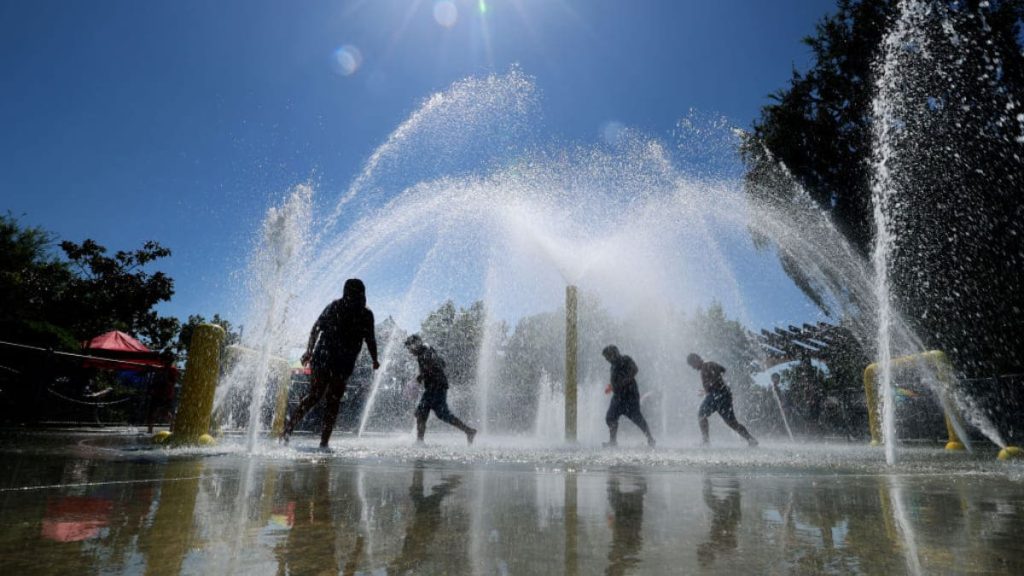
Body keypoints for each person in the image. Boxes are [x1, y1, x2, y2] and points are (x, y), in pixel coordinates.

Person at [284, 278, 379, 448]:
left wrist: (375, 359)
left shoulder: (364, 314)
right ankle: (288, 432)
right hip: (325, 357)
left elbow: (370, 339)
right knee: (318, 395)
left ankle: (323, 442)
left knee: (330, 399)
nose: (352, 297)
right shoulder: (338, 307)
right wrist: (309, 350)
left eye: (355, 294)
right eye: (351, 294)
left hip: (341, 361)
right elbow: (316, 328)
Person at [404, 334, 476, 445]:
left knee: (427, 413)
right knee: (430, 413)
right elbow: (442, 363)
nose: (409, 351)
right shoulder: (427, 351)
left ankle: (419, 441)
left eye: (410, 348)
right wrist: (423, 376)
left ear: (416, 344)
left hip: (436, 387)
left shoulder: (425, 353)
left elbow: (435, 365)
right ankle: (468, 431)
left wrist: (420, 377)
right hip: (436, 387)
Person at [687, 353, 758, 447]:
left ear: (696, 359)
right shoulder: (708, 365)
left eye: (692, 365)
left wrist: (712, 385)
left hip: (717, 395)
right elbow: (722, 370)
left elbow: (720, 372)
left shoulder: (707, 365)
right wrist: (710, 387)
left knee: (701, 415)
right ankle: (751, 439)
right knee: (732, 422)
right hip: (722, 395)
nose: (693, 368)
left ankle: (706, 441)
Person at [602, 345, 656, 448]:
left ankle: (650, 438)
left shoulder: (625, 359)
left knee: (637, 418)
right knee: (610, 417)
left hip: (629, 395)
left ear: (613, 353)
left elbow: (635, 369)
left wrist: (624, 381)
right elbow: (616, 379)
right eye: (606, 357)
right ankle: (612, 441)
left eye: (607, 356)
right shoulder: (613, 365)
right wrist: (612, 386)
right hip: (618, 396)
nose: (606, 359)